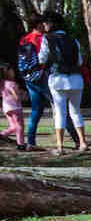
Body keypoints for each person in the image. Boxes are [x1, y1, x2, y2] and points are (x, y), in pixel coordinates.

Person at [38, 15, 91, 155]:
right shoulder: (73, 40)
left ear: (52, 24)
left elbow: (42, 59)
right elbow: (79, 61)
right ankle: (83, 143)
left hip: (57, 79)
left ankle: (60, 147)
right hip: (75, 79)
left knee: (60, 112)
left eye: (46, 22)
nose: (44, 25)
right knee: (76, 111)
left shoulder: (47, 39)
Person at [16, 13, 50, 152]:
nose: (46, 25)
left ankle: (31, 141)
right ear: (38, 25)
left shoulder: (24, 39)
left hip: (29, 78)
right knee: (59, 107)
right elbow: (45, 58)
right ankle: (78, 140)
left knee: (36, 110)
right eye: (43, 23)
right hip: (43, 76)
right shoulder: (42, 38)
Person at [2, 64, 24, 147]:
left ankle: (2, 134)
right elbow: (16, 96)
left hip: (6, 107)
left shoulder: (2, 83)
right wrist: (20, 96)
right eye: (12, 70)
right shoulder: (12, 83)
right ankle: (20, 144)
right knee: (20, 126)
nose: (14, 72)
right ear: (8, 72)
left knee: (13, 126)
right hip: (15, 107)